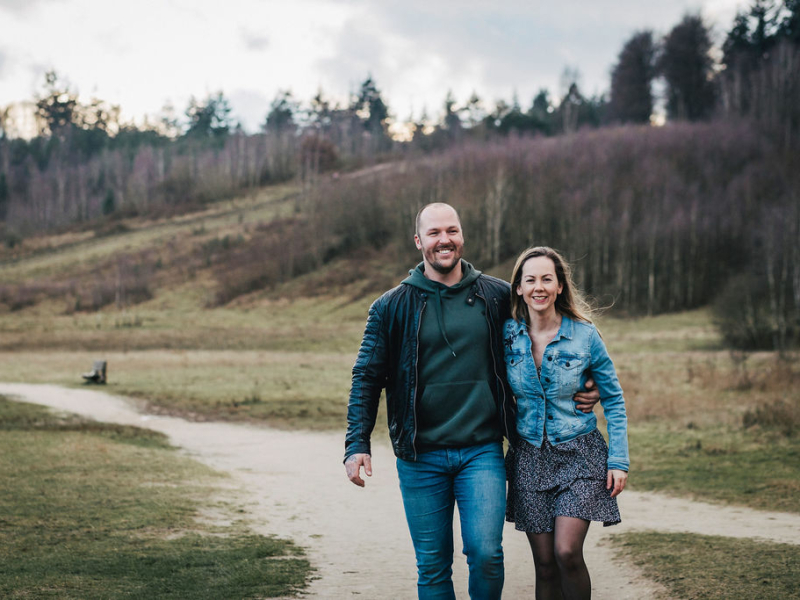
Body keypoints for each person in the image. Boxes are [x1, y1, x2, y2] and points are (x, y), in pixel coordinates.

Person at [344, 204, 601, 599]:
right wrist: (356, 443)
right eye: (433, 233)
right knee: (432, 565)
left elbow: (549, 330)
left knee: (486, 554)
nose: (444, 240)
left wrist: (589, 379)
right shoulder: (390, 307)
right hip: (420, 456)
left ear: (462, 236)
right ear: (419, 242)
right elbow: (366, 376)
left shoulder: (496, 295)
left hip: (481, 452)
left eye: (452, 231)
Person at [503, 246, 629, 600]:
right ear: (518, 287)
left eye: (547, 279)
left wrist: (618, 461)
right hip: (529, 457)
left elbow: (614, 398)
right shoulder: (507, 336)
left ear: (560, 287)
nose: (538, 287)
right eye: (530, 280)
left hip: (580, 455)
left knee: (566, 553)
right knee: (544, 565)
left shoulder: (585, 336)